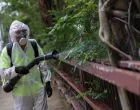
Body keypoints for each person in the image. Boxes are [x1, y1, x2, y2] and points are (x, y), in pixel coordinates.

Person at [0, 20, 52, 110]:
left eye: (24, 31)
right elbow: (3, 73)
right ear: (12, 34)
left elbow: (43, 64)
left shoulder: (33, 44)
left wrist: (47, 82)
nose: (22, 34)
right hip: (21, 95)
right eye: (18, 32)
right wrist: (16, 69)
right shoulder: (7, 50)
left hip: (38, 89)